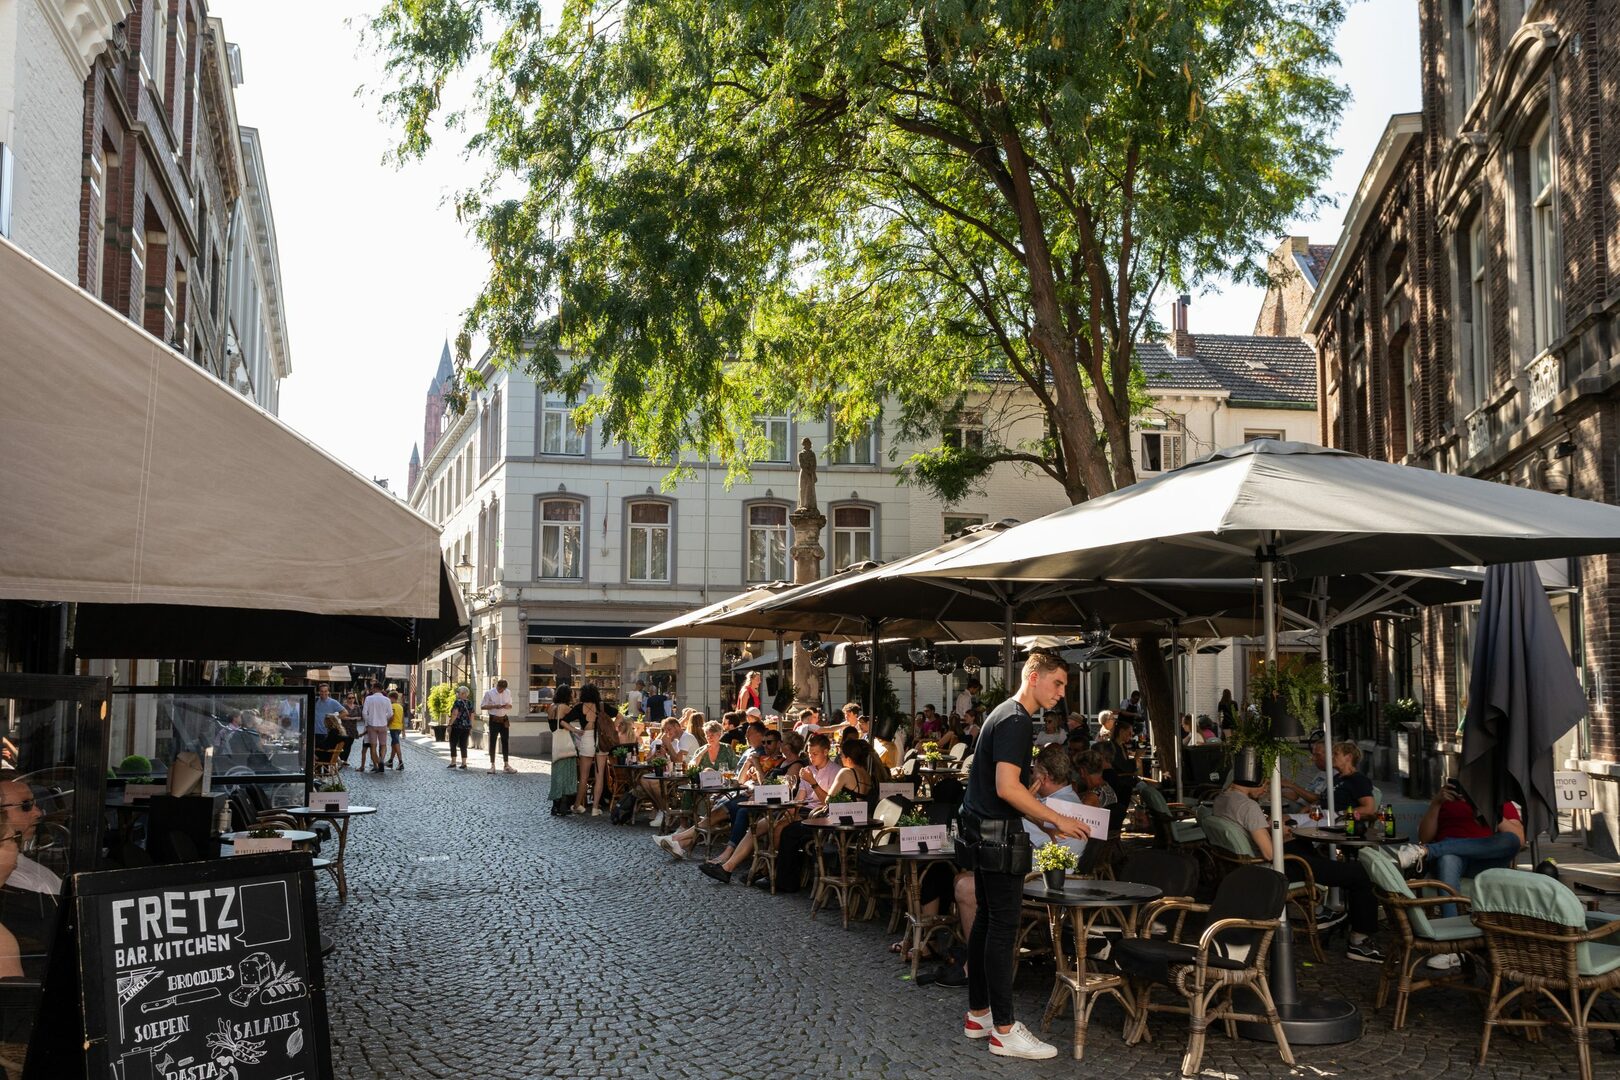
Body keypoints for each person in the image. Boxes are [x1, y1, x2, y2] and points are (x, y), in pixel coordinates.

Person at [959, 652, 1089, 1061]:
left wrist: (1046, 824)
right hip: (999, 840)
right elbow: (1007, 787)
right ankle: (1004, 1029)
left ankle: (979, 1015)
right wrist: (1056, 818)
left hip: (983, 835)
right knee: (1001, 931)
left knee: (986, 924)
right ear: (1034, 677)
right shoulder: (1017, 719)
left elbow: (1003, 790)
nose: (1062, 693)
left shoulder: (1004, 713)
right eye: (1058, 684)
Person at [1216, 758, 1382, 964]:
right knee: (1360, 873)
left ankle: (1322, 911)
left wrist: (1283, 833)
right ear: (1255, 781)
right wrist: (1281, 834)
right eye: (1265, 785)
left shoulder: (1223, 799)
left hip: (1250, 867)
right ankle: (1360, 941)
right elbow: (1269, 853)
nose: (1266, 790)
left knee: (1303, 845)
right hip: (1274, 869)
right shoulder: (1248, 807)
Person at [1392, 781, 1524, 929]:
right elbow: (1424, 837)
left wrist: (1486, 808)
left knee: (1511, 840)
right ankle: (1451, 930)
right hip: (1451, 862)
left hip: (1485, 862)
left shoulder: (1496, 800)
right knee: (1448, 858)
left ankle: (1427, 851)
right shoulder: (1445, 802)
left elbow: (1519, 839)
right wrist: (1436, 803)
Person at [573, 684, 610, 815]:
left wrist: (576, 731)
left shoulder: (579, 707)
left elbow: (563, 721)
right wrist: (609, 728)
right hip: (601, 739)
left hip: (587, 738)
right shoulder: (602, 706)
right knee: (600, 776)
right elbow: (620, 717)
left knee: (584, 776)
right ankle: (595, 808)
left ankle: (578, 805)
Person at [547, 685, 581, 816]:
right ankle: (566, 806)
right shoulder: (565, 708)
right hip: (566, 743)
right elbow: (570, 719)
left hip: (556, 743)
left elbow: (554, 725)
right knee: (568, 773)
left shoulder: (551, 707)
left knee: (557, 774)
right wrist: (576, 730)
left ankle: (555, 806)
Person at [482, 678, 516, 774]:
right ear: (497, 686)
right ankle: (492, 765)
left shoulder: (507, 692)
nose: (502, 691)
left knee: (505, 740)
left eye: (503, 690)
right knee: (492, 741)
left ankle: (506, 764)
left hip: (504, 718)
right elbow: (483, 706)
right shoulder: (489, 693)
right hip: (494, 718)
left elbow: (510, 705)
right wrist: (494, 706)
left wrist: (506, 706)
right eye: (500, 689)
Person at [361, 681, 392, 773]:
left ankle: (378, 764)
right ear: (382, 689)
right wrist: (384, 718)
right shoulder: (387, 700)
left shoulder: (369, 699)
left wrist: (369, 719)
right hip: (383, 725)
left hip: (372, 725)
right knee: (383, 745)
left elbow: (364, 712)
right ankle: (381, 759)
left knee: (373, 747)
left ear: (374, 688)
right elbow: (390, 714)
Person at [446, 685, 475, 769]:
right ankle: (464, 763)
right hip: (466, 727)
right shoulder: (470, 703)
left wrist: (450, 724)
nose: (457, 694)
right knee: (463, 744)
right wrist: (470, 726)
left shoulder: (457, 702)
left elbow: (455, 714)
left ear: (462, 694)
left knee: (453, 743)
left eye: (458, 692)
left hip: (457, 726)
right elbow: (472, 716)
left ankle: (453, 762)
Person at [312, 684, 345, 756]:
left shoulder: (333, 702)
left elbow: (345, 712)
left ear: (328, 692)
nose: (323, 693)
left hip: (326, 733)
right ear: (319, 692)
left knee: (323, 754)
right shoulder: (315, 700)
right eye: (321, 691)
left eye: (325, 691)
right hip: (315, 732)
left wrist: (333, 720)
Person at [386, 690, 407, 770]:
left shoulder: (392, 706)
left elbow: (392, 717)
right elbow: (402, 719)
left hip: (393, 727)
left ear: (391, 698)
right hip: (399, 727)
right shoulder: (400, 707)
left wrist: (387, 725)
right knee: (394, 745)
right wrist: (404, 730)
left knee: (396, 744)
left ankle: (401, 762)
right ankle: (390, 761)